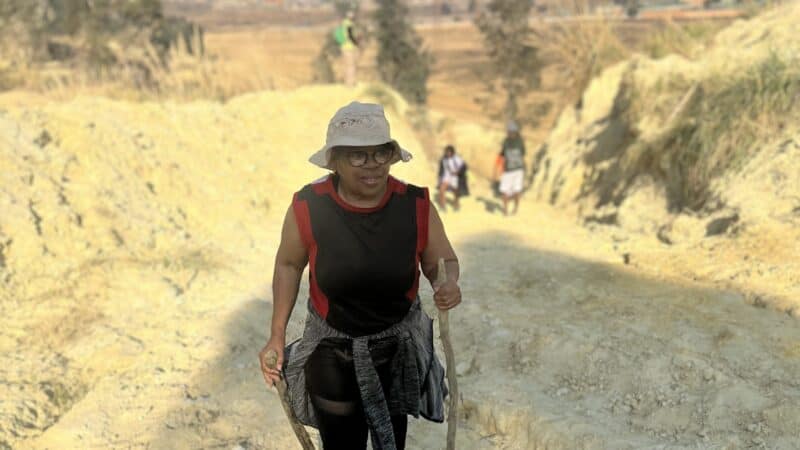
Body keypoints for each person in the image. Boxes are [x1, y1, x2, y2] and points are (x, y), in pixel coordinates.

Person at [259, 101, 462, 450]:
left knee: (391, 440)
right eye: (357, 155)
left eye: (380, 153)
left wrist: (447, 283)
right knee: (341, 443)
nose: (372, 165)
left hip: (396, 348)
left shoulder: (414, 205)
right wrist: (276, 334)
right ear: (334, 160)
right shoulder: (309, 207)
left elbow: (441, 261)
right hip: (331, 348)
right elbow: (289, 265)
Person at [493, 120, 526, 215]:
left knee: (514, 190)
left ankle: (512, 209)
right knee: (507, 190)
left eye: (510, 131)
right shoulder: (514, 141)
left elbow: (504, 153)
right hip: (512, 170)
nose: (509, 133)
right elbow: (523, 153)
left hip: (515, 170)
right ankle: (507, 209)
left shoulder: (513, 142)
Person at [436, 145, 468, 212]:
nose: (447, 153)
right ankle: (443, 207)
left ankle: (456, 204)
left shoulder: (456, 158)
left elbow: (464, 166)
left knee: (455, 193)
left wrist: (457, 172)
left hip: (454, 178)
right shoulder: (443, 159)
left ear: (452, 152)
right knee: (441, 190)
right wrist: (439, 179)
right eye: (446, 152)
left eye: (449, 152)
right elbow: (441, 170)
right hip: (446, 177)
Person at [334, 11, 360, 86]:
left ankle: (347, 82)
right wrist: (356, 43)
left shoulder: (343, 24)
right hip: (350, 48)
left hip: (344, 47)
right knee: (351, 65)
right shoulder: (349, 24)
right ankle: (350, 83)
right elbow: (350, 36)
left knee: (347, 65)